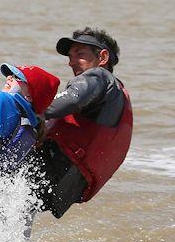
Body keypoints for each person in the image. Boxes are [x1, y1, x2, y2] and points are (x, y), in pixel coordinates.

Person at [34, 27, 133, 218]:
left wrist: (35, 112)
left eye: (80, 54)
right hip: (71, 184)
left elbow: (73, 98)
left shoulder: (98, 76)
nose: (71, 62)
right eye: (70, 56)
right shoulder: (116, 94)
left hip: (57, 164)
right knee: (21, 205)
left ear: (102, 57)